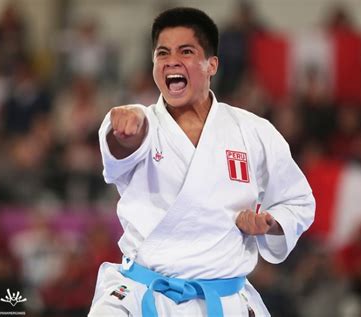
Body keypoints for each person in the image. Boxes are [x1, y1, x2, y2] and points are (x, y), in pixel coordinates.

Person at [88, 7, 315, 317]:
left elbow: (299, 203)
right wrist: (126, 132)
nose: (171, 61)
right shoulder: (139, 122)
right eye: (163, 53)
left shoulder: (253, 131)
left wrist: (269, 223)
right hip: (142, 295)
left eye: (186, 51)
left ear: (212, 65)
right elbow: (121, 146)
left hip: (222, 301)